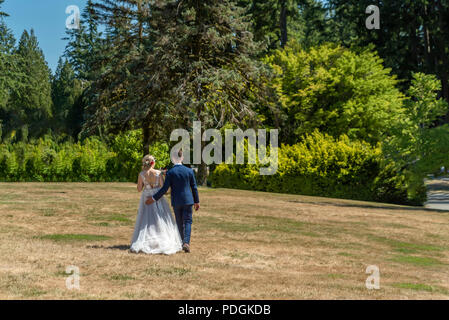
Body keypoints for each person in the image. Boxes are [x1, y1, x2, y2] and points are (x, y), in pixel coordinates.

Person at [146, 149, 200, 253]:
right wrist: (197, 201)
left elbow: (164, 189)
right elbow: (194, 187)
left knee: (179, 222)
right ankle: (186, 243)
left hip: (176, 201)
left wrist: (153, 198)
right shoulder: (189, 171)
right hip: (188, 200)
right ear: (182, 158)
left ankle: (181, 242)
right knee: (188, 221)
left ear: (172, 159)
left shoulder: (171, 172)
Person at [130, 155, 183, 255]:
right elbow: (163, 188)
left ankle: (146, 239)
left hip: (146, 198)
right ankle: (162, 239)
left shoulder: (141, 174)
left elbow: (139, 189)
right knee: (160, 218)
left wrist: (145, 185)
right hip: (157, 198)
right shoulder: (158, 173)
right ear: (153, 163)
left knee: (147, 220)